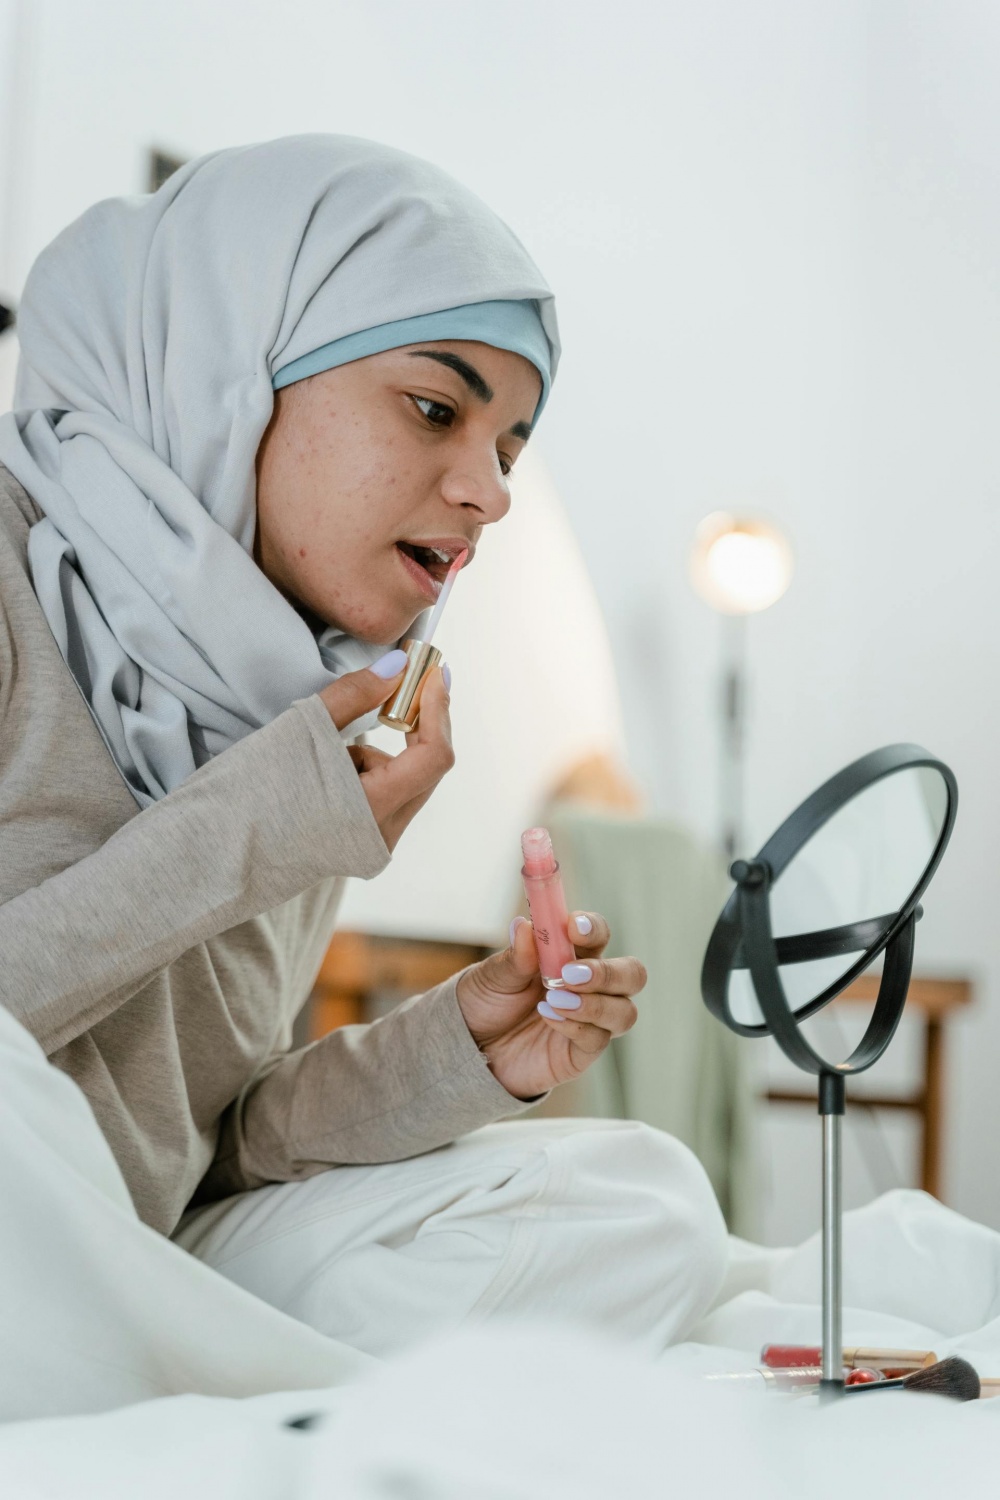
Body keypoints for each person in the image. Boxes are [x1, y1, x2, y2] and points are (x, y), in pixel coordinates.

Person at [0, 135, 726, 1359]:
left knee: (639, 1201)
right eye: (436, 409)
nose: (489, 492)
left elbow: (211, 1143)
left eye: (508, 447)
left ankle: (152, 1377)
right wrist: (251, 829)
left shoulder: (302, 694)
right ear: (229, 371)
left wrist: (456, 1053)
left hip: (114, 1248)